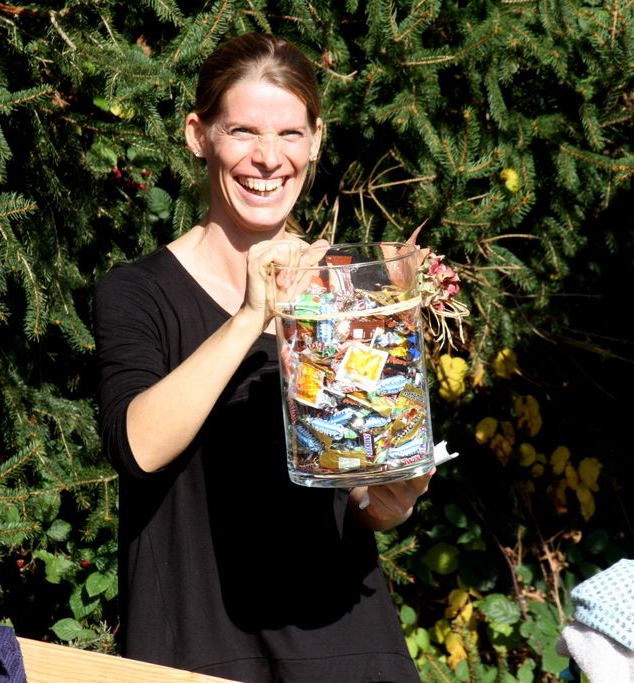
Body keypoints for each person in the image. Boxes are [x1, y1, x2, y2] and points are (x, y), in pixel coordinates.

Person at [93, 32, 432, 682]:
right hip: (200, 655)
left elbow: (358, 475)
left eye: (290, 134)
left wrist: (389, 501)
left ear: (316, 141)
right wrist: (253, 314)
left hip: (350, 654)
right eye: (243, 131)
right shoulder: (138, 292)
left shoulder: (350, 288)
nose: (269, 158)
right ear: (199, 135)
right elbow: (137, 446)